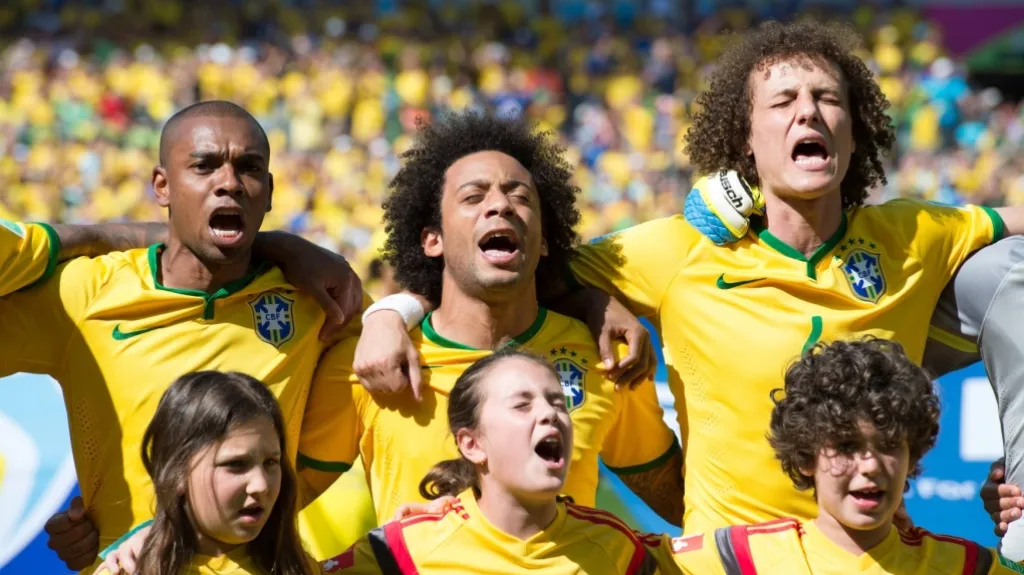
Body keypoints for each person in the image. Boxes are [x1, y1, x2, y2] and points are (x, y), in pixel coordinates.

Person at [355, 20, 1023, 536]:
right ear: (745, 140)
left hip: (869, 552)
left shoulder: (916, 233)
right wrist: (392, 311)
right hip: (730, 559)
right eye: (783, 101)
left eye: (828, 100)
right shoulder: (679, 247)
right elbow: (502, 268)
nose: (809, 114)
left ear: (856, 135)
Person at [1, 100, 366, 573]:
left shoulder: (316, 302)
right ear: (162, 186)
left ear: (270, 192)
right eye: (205, 165)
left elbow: (413, 341)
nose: (229, 182)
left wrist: (397, 305)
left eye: (249, 168)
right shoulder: (83, 295)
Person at [298, 111, 683, 527]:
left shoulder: (604, 356)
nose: (500, 204)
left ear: (546, 241)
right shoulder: (366, 364)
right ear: (432, 240)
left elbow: (674, 498)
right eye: (473, 196)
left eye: (519, 196)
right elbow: (276, 500)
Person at [657, 338, 1022, 575]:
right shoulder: (735, 560)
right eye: (846, 446)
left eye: (890, 444)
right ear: (805, 457)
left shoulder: (966, 568)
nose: (871, 465)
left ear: (913, 457)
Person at [321, 348, 671, 574]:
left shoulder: (616, 546)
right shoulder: (399, 551)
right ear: (471, 444)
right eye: (522, 405)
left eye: (558, 403)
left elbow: (720, 554)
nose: (550, 413)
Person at [98, 371, 317, 575]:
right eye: (236, 464)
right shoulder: (129, 569)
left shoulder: (300, 568)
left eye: (271, 462)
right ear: (176, 473)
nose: (261, 484)